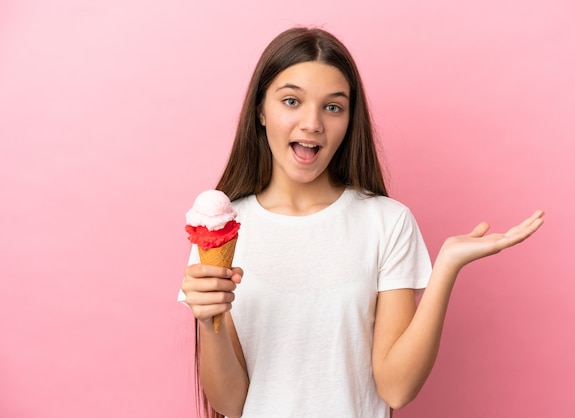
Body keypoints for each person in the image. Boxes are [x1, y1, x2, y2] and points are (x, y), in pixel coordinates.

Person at [179, 26, 544, 418]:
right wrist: (208, 317)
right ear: (261, 111)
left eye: (333, 107)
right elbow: (230, 403)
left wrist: (446, 267)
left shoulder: (387, 223)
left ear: (350, 120)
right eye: (291, 101)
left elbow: (397, 388)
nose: (312, 123)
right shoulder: (225, 231)